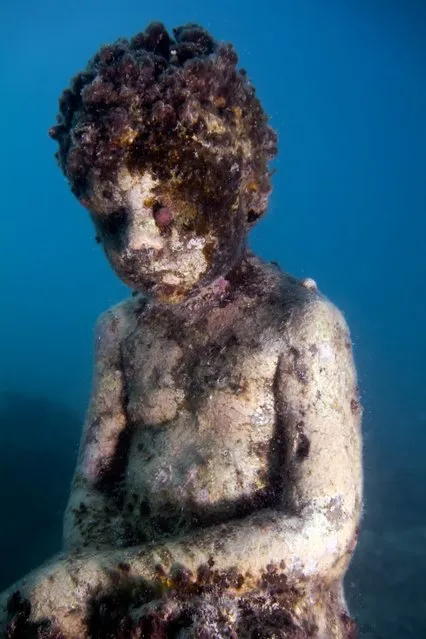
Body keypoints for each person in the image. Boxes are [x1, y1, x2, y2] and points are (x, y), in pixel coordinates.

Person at [0, 23, 362, 638]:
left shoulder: (302, 326)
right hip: (130, 590)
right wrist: (88, 579)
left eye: (163, 208)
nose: (138, 242)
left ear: (237, 182)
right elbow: (92, 492)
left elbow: (321, 530)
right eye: (113, 219)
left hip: (257, 604)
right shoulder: (118, 332)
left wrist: (109, 578)